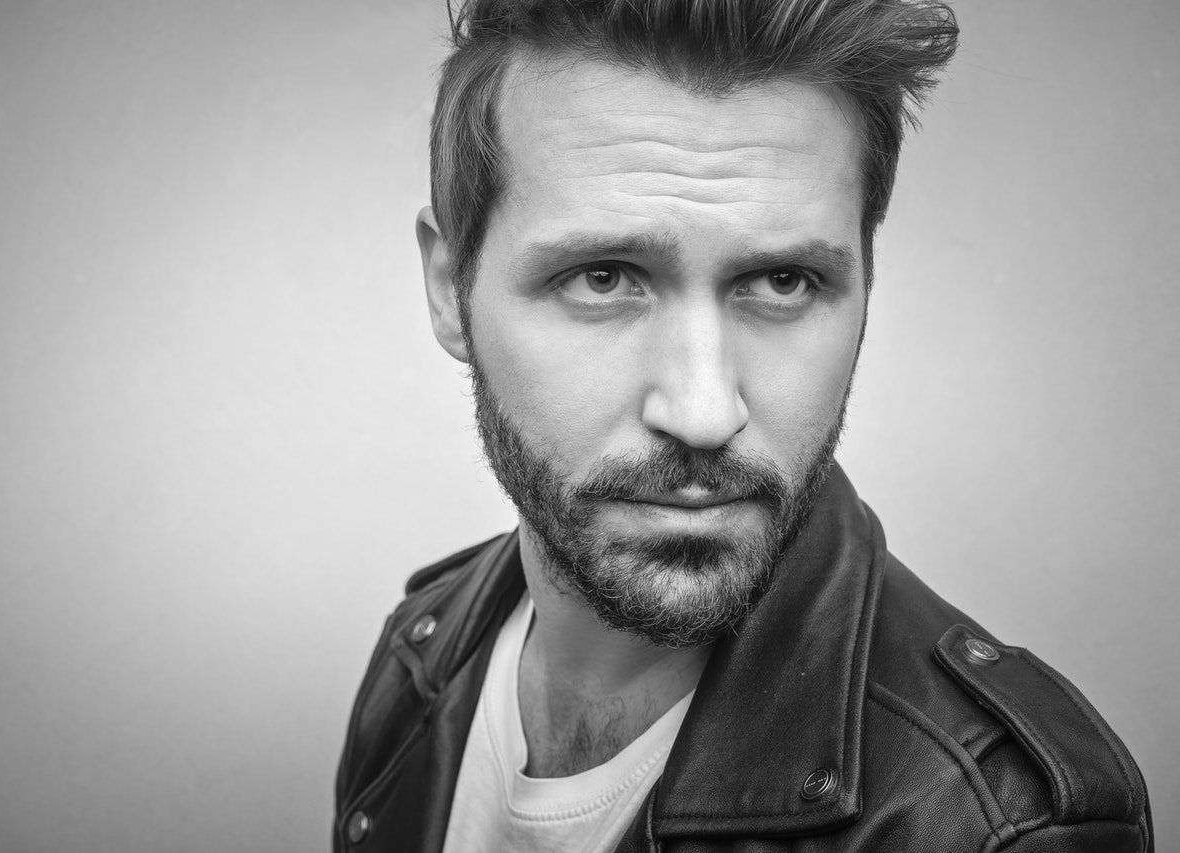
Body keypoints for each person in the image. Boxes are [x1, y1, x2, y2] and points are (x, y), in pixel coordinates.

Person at [335, 0, 1154, 850]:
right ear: (450, 288)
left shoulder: (994, 828)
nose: (703, 410)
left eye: (782, 281)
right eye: (603, 277)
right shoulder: (423, 648)